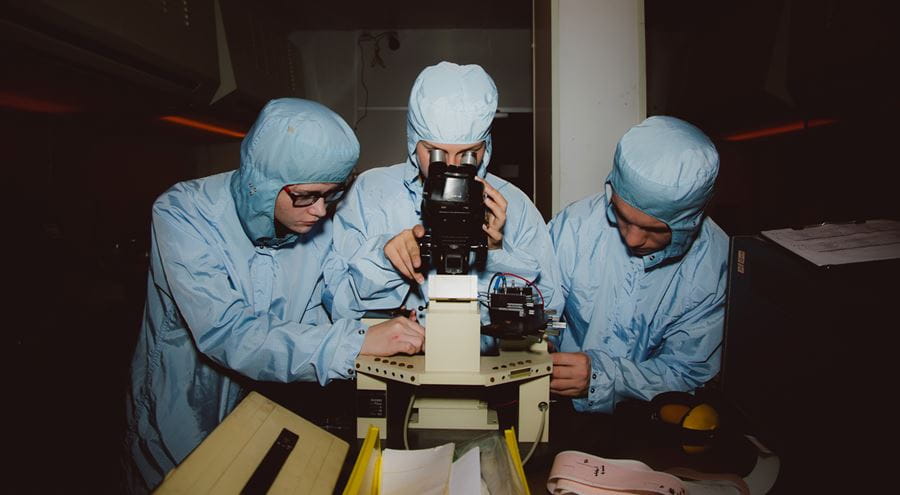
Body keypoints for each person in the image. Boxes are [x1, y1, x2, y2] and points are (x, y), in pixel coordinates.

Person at [124, 98, 425, 493]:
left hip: (266, 410)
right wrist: (356, 344)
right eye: (306, 195)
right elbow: (229, 333)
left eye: (331, 194)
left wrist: (386, 261)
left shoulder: (317, 226)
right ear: (262, 183)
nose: (320, 210)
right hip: (179, 412)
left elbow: (337, 301)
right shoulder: (182, 213)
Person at [323, 61, 561, 330]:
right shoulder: (369, 193)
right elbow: (336, 304)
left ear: (487, 145)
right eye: (435, 153)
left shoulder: (515, 205)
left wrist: (495, 255)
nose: (452, 166)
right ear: (414, 140)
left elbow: (548, 318)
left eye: (469, 153)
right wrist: (384, 260)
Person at [547, 115, 728, 413]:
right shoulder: (575, 227)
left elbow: (687, 372)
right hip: (559, 409)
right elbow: (542, 303)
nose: (632, 240)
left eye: (654, 229)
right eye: (621, 215)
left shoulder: (714, 267)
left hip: (649, 418)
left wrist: (607, 379)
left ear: (688, 224)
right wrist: (539, 342)